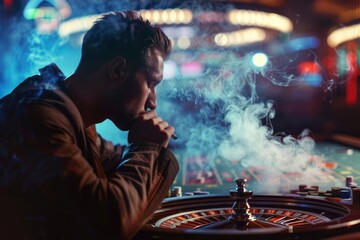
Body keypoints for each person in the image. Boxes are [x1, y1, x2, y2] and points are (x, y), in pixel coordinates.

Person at [0, 10, 179, 240]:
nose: (153, 102)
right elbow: (108, 222)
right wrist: (147, 149)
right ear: (117, 70)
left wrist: (156, 148)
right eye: (151, 83)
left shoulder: (71, 111)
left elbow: (112, 156)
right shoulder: (38, 117)